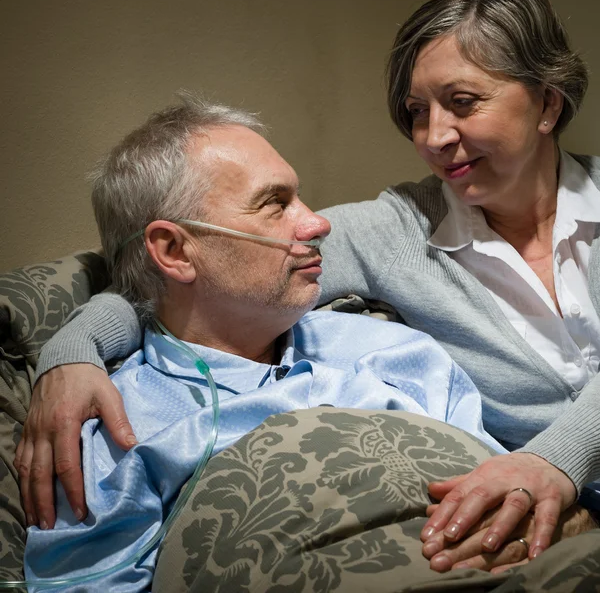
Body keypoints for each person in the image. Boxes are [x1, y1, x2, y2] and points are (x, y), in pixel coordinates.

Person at [15, 0, 600, 574]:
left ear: (547, 103)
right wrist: (72, 354)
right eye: (417, 110)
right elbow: (184, 277)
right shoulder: (397, 230)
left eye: (463, 102)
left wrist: (554, 461)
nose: (434, 137)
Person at [23, 96, 513, 590]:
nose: (319, 225)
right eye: (275, 204)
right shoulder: (119, 430)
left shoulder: (401, 354)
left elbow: (507, 498)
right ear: (174, 250)